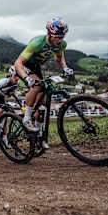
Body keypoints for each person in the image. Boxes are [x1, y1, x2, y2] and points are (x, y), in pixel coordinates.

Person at [14, 17, 73, 149]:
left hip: (36, 67)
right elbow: (18, 62)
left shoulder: (62, 44)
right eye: (57, 37)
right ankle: (26, 118)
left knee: (44, 103)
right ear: (49, 34)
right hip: (25, 66)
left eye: (62, 36)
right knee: (37, 85)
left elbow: (59, 58)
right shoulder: (37, 43)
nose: (60, 40)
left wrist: (65, 68)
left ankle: (39, 136)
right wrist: (27, 78)